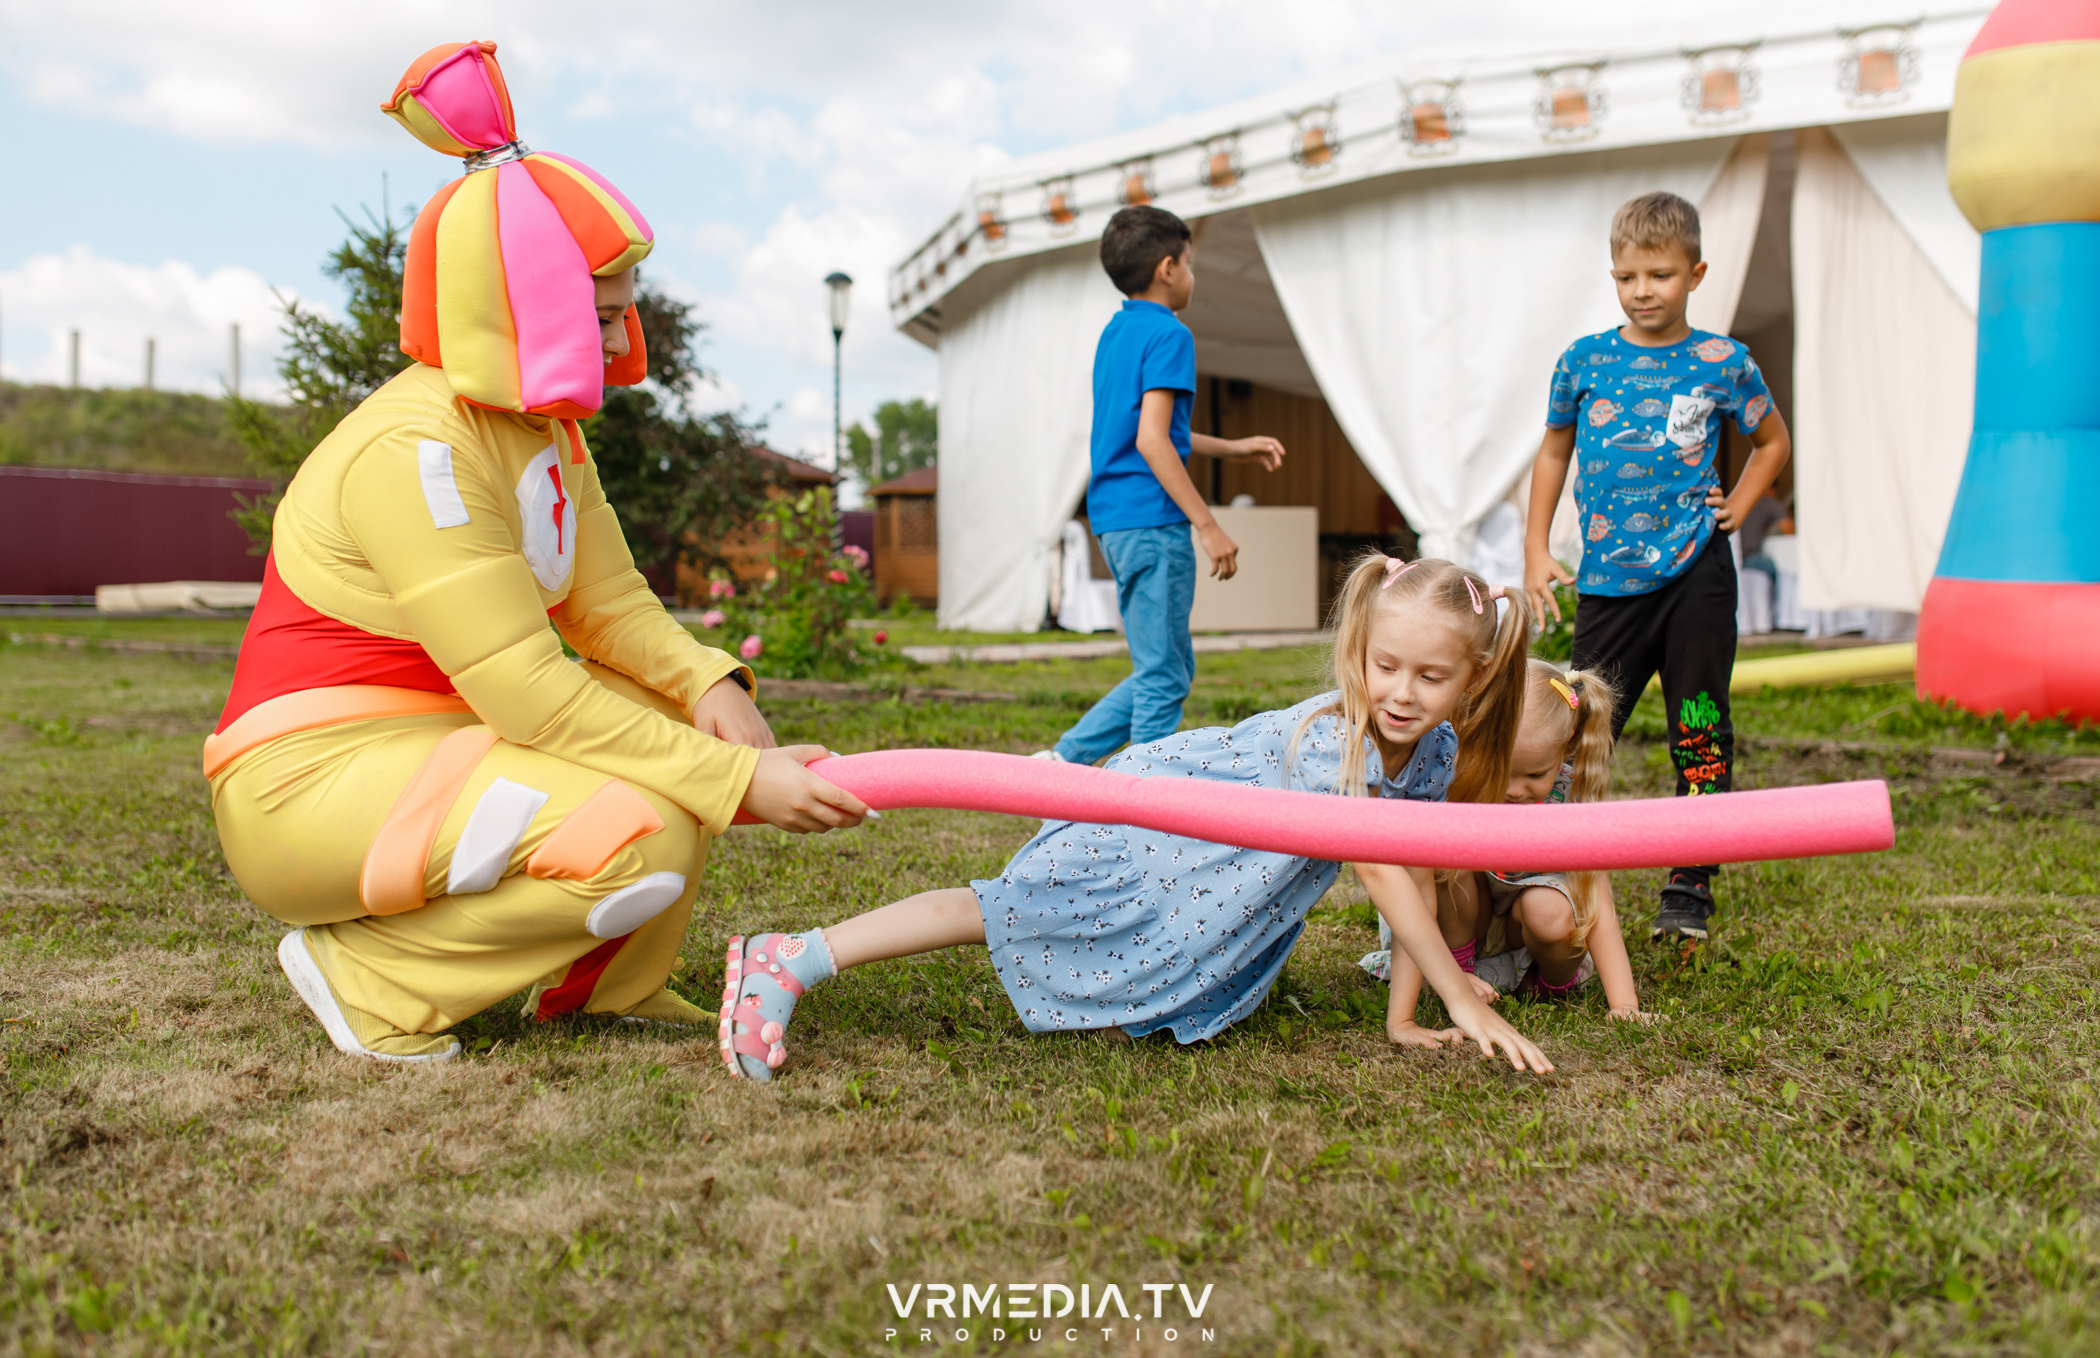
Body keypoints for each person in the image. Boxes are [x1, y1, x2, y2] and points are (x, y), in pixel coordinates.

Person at [205, 42, 867, 1066]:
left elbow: (607, 603)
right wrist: (736, 778)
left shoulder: (541, 431)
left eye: (624, 308)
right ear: (522, 307)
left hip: (432, 739)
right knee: (641, 830)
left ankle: (606, 990)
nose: (620, 336)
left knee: (668, 741)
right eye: (599, 313)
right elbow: (526, 691)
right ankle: (373, 977)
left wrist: (708, 684)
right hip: (310, 786)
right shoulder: (414, 448)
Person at [712, 554, 1556, 1082]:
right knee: (1000, 909)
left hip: (1223, 878)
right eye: (1385, 667)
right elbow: (1376, 863)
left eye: (1431, 677)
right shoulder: (1336, 740)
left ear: (1476, 677)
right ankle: (795, 957)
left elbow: (1409, 867)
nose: (1402, 694)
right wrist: (1460, 1000)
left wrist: (1405, 1017)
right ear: (1357, 653)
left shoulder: (1434, 751)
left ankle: (803, 957)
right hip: (1163, 834)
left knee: (1125, 1011)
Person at [1521, 190, 1792, 943]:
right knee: (1577, 725)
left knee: (1698, 723)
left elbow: (1773, 442)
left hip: (1697, 575)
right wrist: (1536, 547)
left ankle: (1690, 881)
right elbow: (1553, 452)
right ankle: (1554, 863)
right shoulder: (1583, 360)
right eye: (1628, 277)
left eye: (1661, 275)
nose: (1643, 291)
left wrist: (1739, 503)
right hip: (1608, 582)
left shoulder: (1724, 362)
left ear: (1695, 274)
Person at [1041, 205, 1286, 765]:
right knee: (1163, 676)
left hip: (1117, 521)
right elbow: (1153, 442)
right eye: (1191, 263)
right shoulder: (1170, 334)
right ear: (1167, 268)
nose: (1192, 276)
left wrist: (1234, 447)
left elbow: (1152, 431)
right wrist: (1208, 524)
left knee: (1166, 668)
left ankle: (1061, 763)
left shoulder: (1116, 334)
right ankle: (1144, 794)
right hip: (1153, 522)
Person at [1364, 660, 1657, 1028]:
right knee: (1442, 862)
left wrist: (1625, 1005)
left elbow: (1597, 896)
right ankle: (1458, 975)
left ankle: (1546, 983)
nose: (1515, 790)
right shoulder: (1456, 779)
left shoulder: (1568, 797)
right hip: (1465, 922)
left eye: (1535, 774)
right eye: (1502, 770)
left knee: (1547, 911)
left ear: (1566, 745)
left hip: (1527, 932)